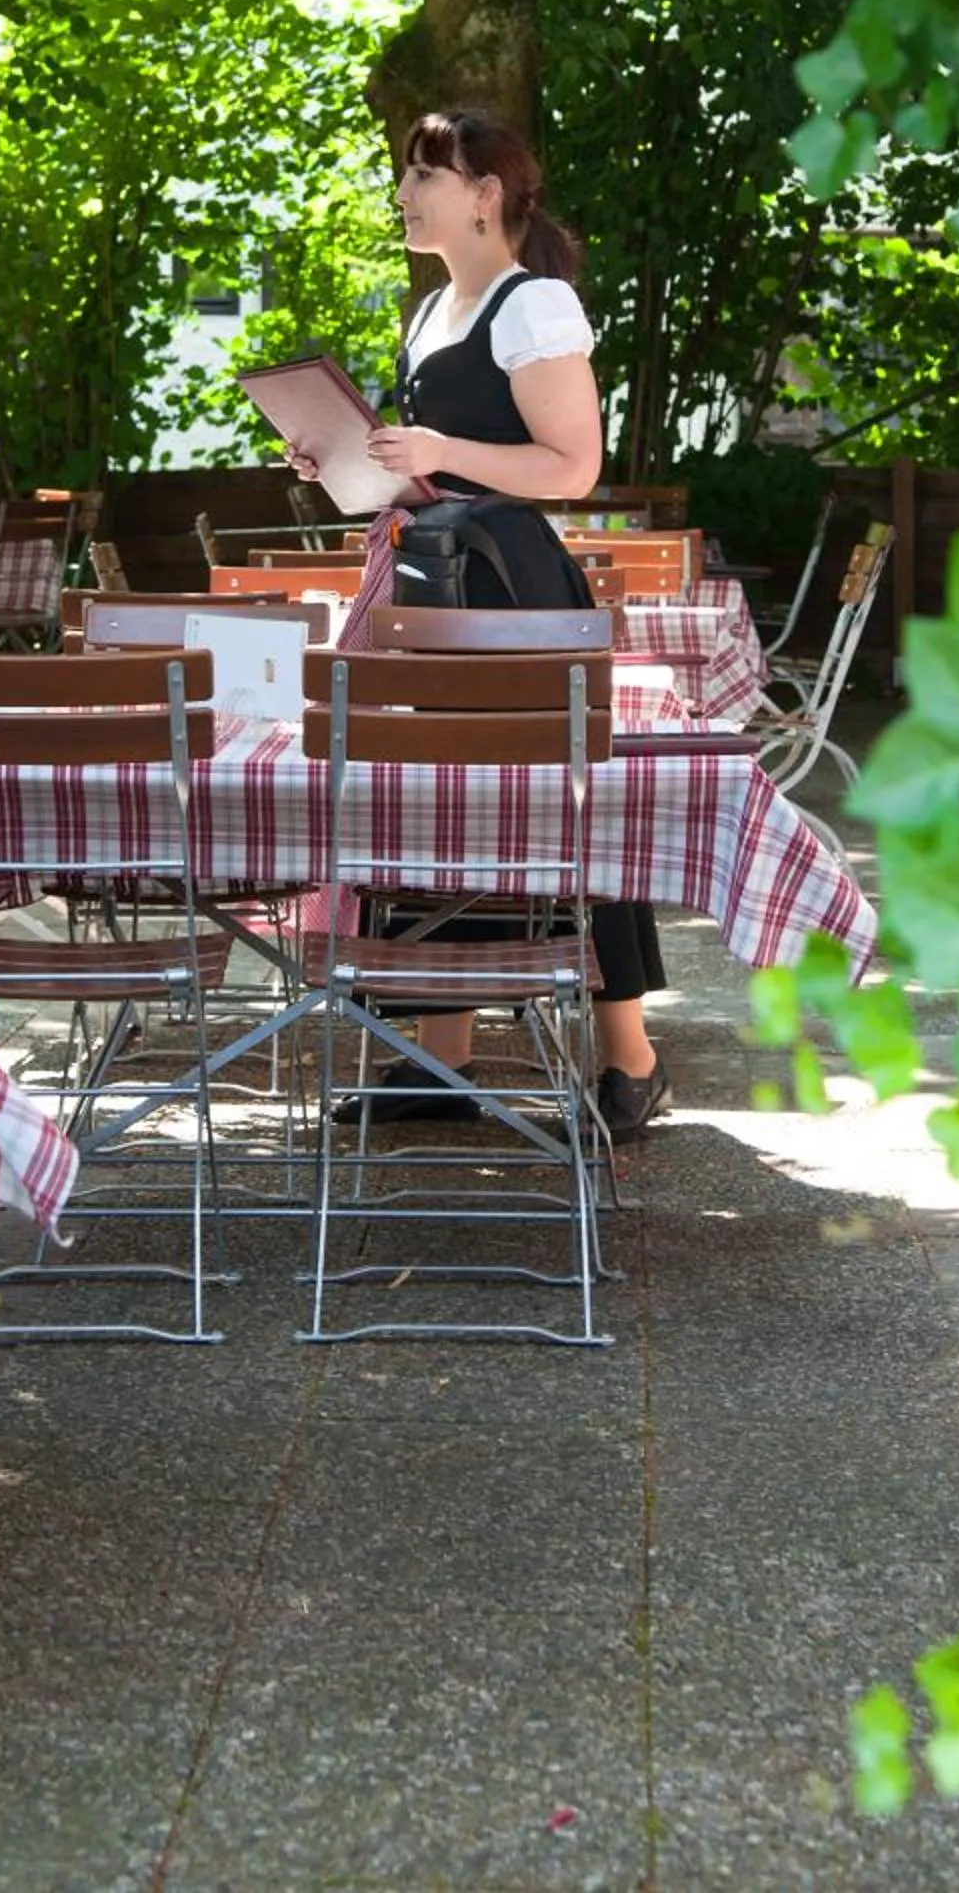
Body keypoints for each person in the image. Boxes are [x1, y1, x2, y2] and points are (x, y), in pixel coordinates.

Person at [295, 106, 672, 1142]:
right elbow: (424, 471)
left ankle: (630, 1061)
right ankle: (439, 1060)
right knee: (433, 798)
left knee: (561, 807)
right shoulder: (427, 313)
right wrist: (341, 457)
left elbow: (572, 469)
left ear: (483, 194)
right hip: (431, 581)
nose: (405, 191)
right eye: (407, 173)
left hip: (512, 592)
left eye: (425, 173)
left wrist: (438, 447)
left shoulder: (531, 304)